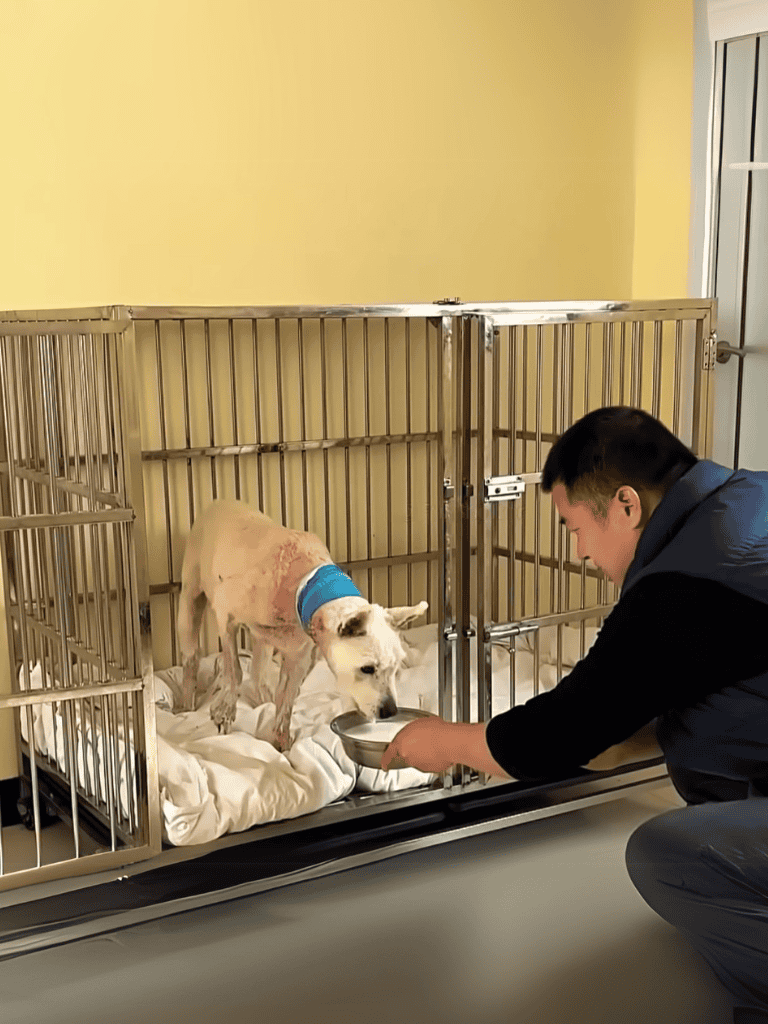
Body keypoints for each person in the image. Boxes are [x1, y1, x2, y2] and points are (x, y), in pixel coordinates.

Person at [380, 406, 768, 1022]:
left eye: (573, 528)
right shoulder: (750, 497)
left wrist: (444, 741)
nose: (582, 554)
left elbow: (561, 731)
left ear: (625, 505)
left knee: (668, 854)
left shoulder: (682, 584)